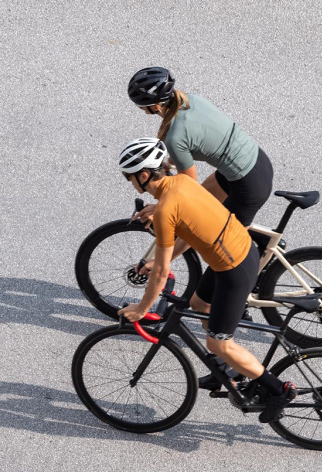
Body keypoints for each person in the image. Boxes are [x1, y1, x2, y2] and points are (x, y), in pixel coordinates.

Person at [116, 137, 296, 423]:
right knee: (199, 305)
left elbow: (161, 274)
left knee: (218, 344)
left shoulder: (164, 210)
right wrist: (160, 261)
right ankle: (230, 371)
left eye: (130, 178)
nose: (130, 183)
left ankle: (278, 389)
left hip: (235, 269)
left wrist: (141, 308)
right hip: (237, 252)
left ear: (144, 175)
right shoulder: (182, 184)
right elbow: (190, 231)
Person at [128, 66, 274, 389]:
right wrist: (161, 201)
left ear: (151, 106)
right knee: (206, 221)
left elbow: (187, 196)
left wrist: (165, 216)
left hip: (246, 184)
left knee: (203, 231)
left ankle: (241, 297)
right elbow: (182, 192)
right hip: (252, 163)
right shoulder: (186, 101)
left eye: (141, 106)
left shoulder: (175, 137)